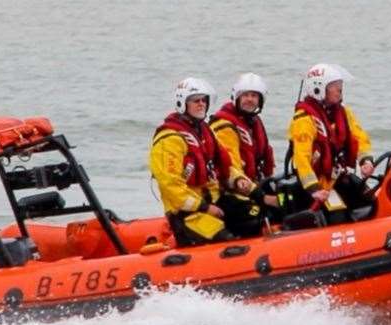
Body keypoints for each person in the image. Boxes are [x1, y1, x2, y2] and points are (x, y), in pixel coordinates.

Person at [149, 77, 244, 246]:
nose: (201, 104)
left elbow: (224, 167)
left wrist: (241, 182)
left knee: (253, 217)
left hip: (212, 201)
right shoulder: (169, 140)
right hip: (187, 215)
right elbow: (172, 187)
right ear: (182, 103)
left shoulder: (205, 133)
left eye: (204, 100)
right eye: (195, 101)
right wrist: (204, 207)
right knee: (226, 241)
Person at [288, 63, 375, 224]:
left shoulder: (343, 113)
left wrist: (366, 161)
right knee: (338, 216)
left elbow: (360, 137)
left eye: (340, 86)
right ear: (319, 88)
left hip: (338, 176)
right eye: (335, 86)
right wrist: (314, 189)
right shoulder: (304, 120)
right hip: (318, 183)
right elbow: (302, 158)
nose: (340, 90)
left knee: (370, 201)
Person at [209, 73, 281, 235]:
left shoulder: (254, 122)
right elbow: (231, 170)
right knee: (261, 216)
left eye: (254, 96)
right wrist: (260, 195)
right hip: (230, 192)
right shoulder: (225, 127)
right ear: (237, 97)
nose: (250, 99)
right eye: (246, 95)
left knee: (286, 200)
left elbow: (264, 160)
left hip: (254, 186)